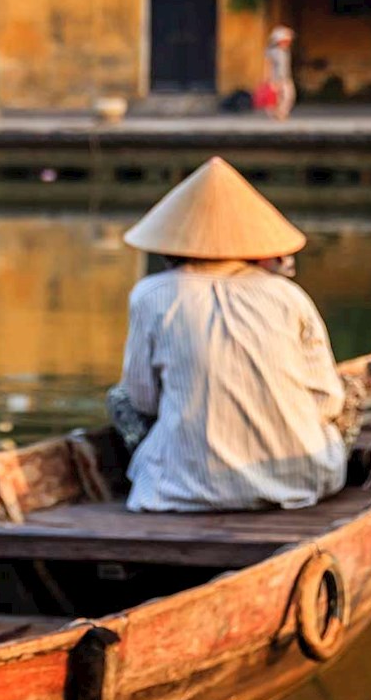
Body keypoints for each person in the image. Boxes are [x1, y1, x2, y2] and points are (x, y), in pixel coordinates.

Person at [108, 157, 347, 513]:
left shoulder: (152, 295)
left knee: (120, 398)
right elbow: (328, 401)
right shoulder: (287, 295)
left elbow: (143, 400)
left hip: (178, 489)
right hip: (300, 481)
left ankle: (183, 463)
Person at [261, 26, 296, 122]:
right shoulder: (272, 52)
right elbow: (268, 65)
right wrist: (268, 79)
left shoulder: (285, 51)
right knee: (274, 97)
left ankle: (281, 113)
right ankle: (276, 114)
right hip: (275, 78)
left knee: (288, 96)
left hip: (285, 77)